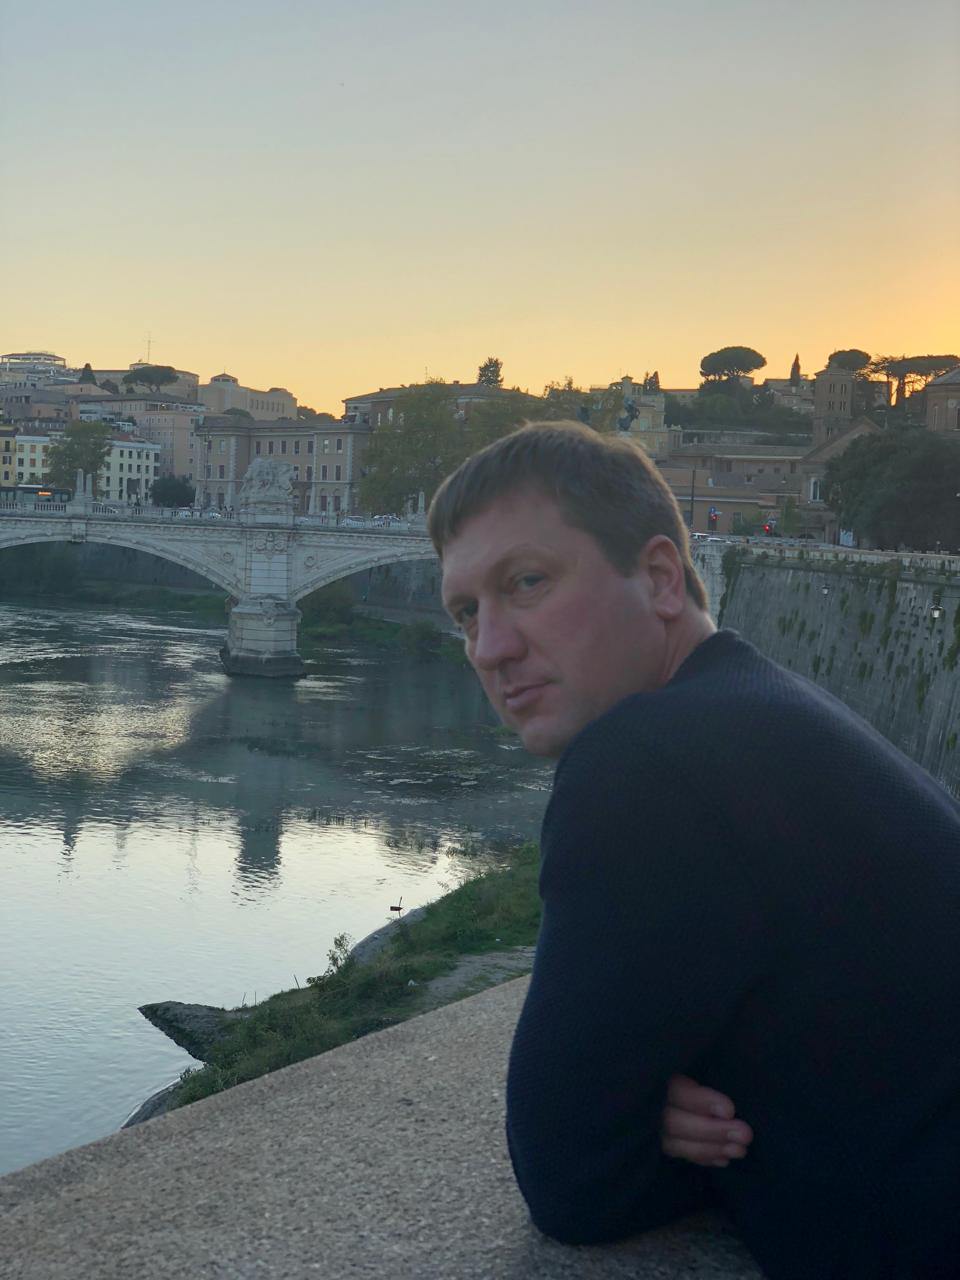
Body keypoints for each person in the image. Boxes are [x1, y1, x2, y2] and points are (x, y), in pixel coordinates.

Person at [428, 421, 960, 1280]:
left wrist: (648, 1118)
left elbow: (571, 1180)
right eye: (466, 614)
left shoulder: (643, 760)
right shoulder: (760, 711)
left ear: (660, 578)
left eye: (526, 583)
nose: (490, 649)